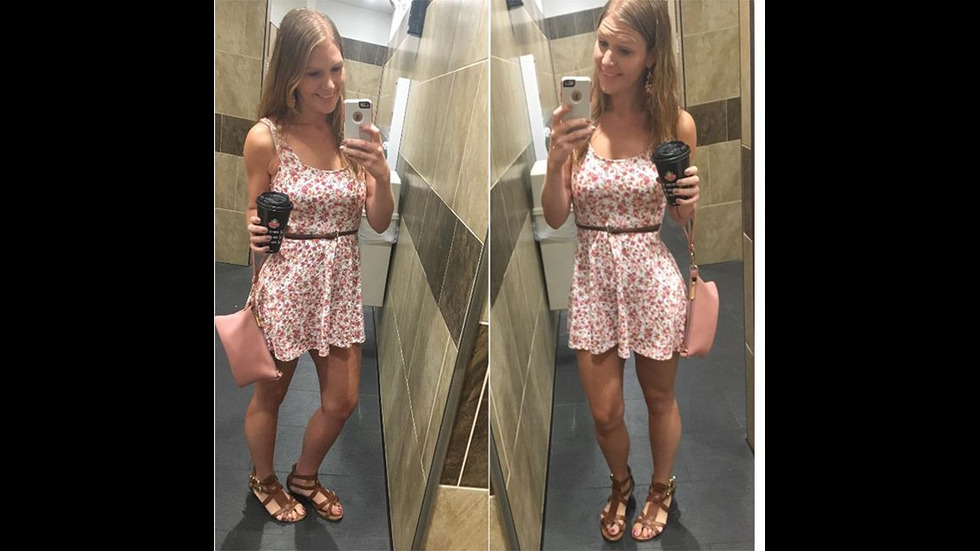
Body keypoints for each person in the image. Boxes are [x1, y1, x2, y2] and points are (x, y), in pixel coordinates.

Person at [540, 0, 700, 542]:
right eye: (603, 43)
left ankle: (660, 487)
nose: (607, 60)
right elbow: (555, 216)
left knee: (658, 399)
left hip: (652, 280)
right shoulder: (577, 123)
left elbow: (681, 218)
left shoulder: (674, 125)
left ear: (652, 56)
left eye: (624, 50)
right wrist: (556, 160)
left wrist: (690, 199)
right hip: (592, 284)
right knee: (605, 412)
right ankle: (621, 482)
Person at [240, 8, 393, 523]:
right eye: (313, 73)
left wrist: (381, 175)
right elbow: (253, 209)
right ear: (290, 75)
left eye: (336, 68)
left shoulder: (354, 134)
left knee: (342, 400)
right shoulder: (266, 138)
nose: (329, 85)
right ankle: (263, 479)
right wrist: (253, 229)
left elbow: (378, 221)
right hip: (286, 285)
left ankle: (304, 476)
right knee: (272, 395)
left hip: (340, 287)